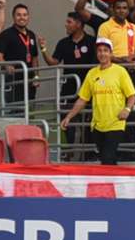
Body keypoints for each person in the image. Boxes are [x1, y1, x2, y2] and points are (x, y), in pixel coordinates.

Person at [60, 38, 135, 165]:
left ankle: (112, 181)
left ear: (111, 53)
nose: (102, 54)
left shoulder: (120, 71)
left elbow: (132, 96)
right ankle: (114, 182)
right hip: (97, 126)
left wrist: (127, 109)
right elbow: (83, 99)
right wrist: (69, 117)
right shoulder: (91, 74)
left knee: (108, 157)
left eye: (106, 51)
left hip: (116, 123)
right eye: (100, 51)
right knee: (107, 160)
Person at [39, 12, 97, 153]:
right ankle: (68, 153)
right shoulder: (63, 43)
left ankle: (88, 153)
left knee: (87, 122)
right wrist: (43, 48)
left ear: (79, 24)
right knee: (68, 121)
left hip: (88, 89)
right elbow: (53, 62)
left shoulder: (92, 42)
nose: (66, 24)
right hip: (69, 90)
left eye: (69, 22)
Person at [0, 3, 40, 109]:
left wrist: (36, 76)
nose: (22, 18)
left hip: (29, 82)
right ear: (13, 17)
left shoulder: (31, 35)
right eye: (18, 15)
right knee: (14, 113)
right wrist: (6, 65)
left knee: (29, 112)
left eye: (24, 15)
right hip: (13, 82)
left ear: (28, 17)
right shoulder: (6, 35)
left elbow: (34, 58)